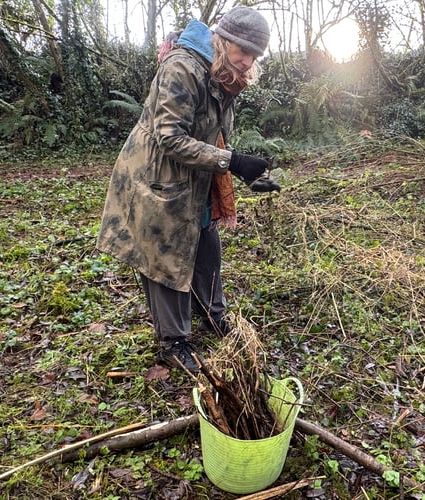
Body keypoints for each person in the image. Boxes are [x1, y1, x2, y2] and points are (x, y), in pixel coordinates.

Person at [96, 7, 279, 374]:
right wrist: (234, 161)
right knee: (165, 255)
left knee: (206, 243)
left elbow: (214, 130)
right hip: (157, 175)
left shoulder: (225, 73)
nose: (248, 61)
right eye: (243, 51)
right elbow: (169, 137)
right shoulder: (183, 67)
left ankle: (213, 315)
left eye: (254, 55)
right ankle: (173, 341)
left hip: (198, 177)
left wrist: (245, 173)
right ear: (224, 40)